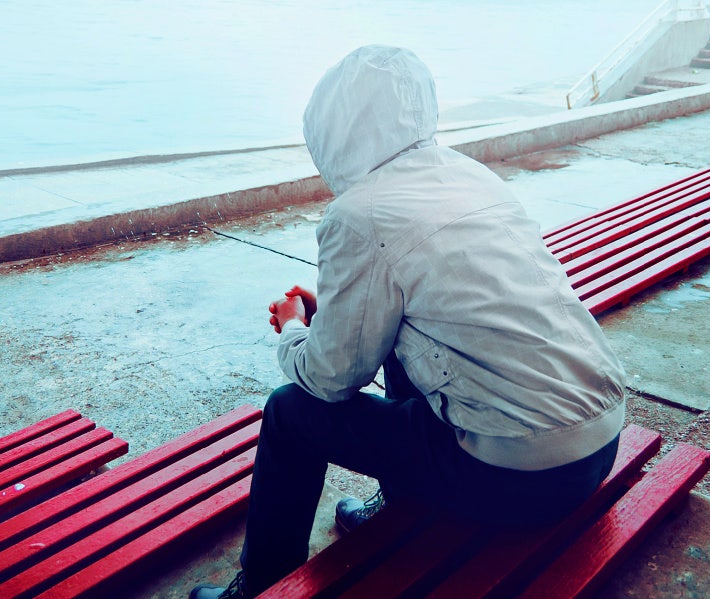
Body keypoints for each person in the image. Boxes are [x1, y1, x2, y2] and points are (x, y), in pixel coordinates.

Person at [192, 45, 627, 599]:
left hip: (521, 477)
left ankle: (260, 586)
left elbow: (329, 380)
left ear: (332, 129)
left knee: (288, 411)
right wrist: (339, 311)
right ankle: (405, 496)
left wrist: (297, 327)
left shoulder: (359, 213)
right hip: (597, 442)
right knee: (393, 340)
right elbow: (440, 303)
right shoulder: (467, 175)